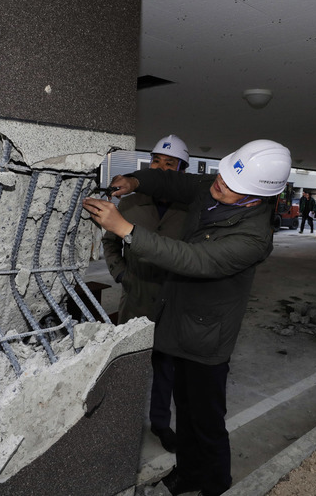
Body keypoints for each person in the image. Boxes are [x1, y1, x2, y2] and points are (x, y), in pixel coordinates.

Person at [84, 139, 292, 496]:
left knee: (206, 419)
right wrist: (136, 181)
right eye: (220, 176)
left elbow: (193, 260)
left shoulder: (254, 237)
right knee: (185, 406)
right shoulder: (220, 184)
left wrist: (127, 230)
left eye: (228, 185)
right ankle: (191, 473)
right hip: (178, 315)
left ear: (253, 198)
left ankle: (215, 483)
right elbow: (175, 184)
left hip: (206, 335)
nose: (217, 184)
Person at [101, 134, 190, 453]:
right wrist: (121, 274)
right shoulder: (130, 202)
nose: (161, 168)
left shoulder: (191, 208)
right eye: (156, 162)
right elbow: (110, 242)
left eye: (169, 164)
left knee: (166, 368)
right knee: (127, 365)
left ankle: (161, 424)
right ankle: (120, 421)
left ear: (182, 170)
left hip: (172, 300)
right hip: (135, 295)